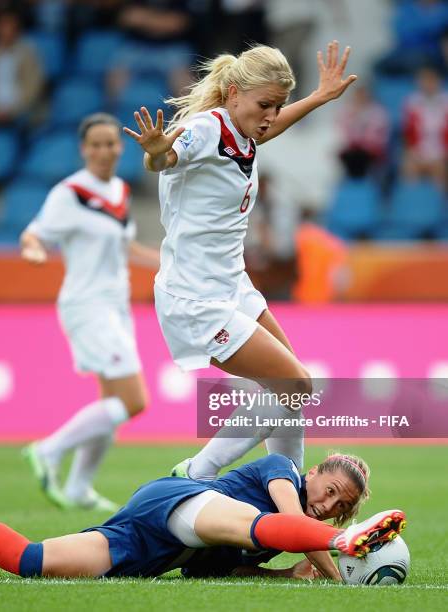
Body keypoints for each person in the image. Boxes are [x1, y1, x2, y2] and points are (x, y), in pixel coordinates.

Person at [122, 41, 357, 480]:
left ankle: (292, 501)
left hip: (233, 286)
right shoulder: (206, 129)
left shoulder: (245, 130)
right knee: (296, 385)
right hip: (195, 296)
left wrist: (319, 97)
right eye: (264, 104)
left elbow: (270, 128)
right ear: (233, 94)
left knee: (291, 389)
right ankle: (194, 474)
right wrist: (155, 150)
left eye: (277, 105)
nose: (270, 116)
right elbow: (167, 156)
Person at [0, 452, 406, 580]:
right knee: (251, 522)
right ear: (313, 472)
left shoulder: (283, 537)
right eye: (331, 491)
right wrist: (339, 559)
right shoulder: (282, 471)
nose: (328, 505)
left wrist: (283, 575)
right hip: (176, 501)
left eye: (341, 509)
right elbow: (287, 520)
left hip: (150, 543)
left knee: (27, 561)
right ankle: (350, 542)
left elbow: (209, 569)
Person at [19, 113, 159, 512]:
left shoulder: (119, 190)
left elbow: (126, 248)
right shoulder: (69, 192)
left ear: (120, 146)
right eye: (95, 144)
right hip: (87, 304)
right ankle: (48, 450)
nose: (103, 151)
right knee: (134, 401)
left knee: (111, 399)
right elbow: (35, 233)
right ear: (84, 149)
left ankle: (79, 486)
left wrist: (168, 260)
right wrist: (33, 249)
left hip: (115, 305)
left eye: (110, 143)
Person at [0, 11, 44, 127]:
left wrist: (11, 110)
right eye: (2, 28)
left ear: (16, 30)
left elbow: (34, 87)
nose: (5, 32)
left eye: (9, 28)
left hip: (20, 108)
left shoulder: (28, 54)